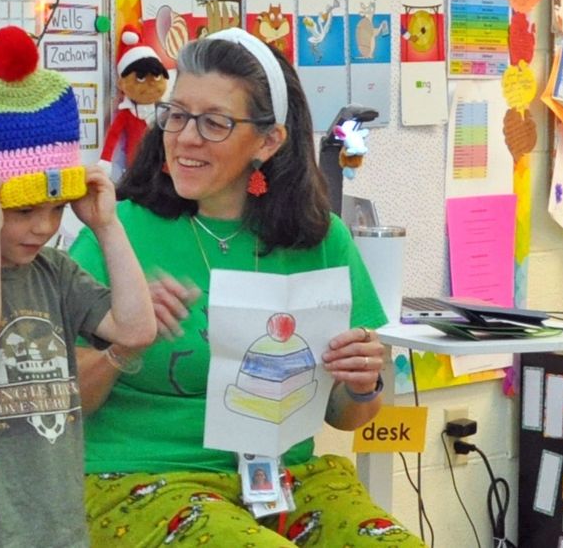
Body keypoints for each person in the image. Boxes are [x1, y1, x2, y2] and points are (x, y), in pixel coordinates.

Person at [70, 28, 425, 546]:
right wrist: (124, 344)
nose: (185, 137)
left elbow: (350, 416)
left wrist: (362, 381)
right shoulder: (114, 231)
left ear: (268, 141)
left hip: (284, 484)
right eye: (176, 114)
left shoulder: (322, 240)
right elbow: (59, 405)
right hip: (141, 479)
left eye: (214, 123)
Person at [0, 26, 155, 547]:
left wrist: (107, 226)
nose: (44, 227)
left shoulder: (54, 273)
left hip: (55, 529)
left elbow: (135, 329)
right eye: (24, 210)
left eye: (56, 208)